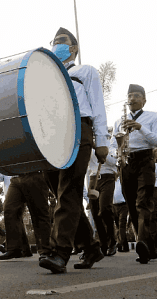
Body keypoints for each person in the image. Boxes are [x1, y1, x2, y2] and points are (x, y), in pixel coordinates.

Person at [39, 28, 109, 274]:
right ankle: (90, 247)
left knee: (68, 189)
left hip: (80, 129)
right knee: (62, 194)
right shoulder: (47, 76)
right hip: (53, 134)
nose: (57, 45)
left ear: (74, 48)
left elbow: (98, 106)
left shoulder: (85, 71)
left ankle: (60, 253)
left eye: (62, 41)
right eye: (54, 41)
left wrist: (102, 141)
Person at [110, 84, 157, 264]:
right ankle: (148, 246)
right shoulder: (119, 121)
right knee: (132, 205)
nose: (131, 99)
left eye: (135, 95)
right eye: (129, 96)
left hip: (145, 160)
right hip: (126, 162)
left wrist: (140, 127)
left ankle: (141, 242)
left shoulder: (153, 116)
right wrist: (117, 152)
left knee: (143, 203)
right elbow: (112, 145)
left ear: (144, 100)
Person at [0, 169, 50, 260]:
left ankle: (45, 250)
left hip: (34, 173)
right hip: (15, 176)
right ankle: (15, 249)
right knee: (9, 210)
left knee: (39, 213)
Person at [87, 143, 118, 256]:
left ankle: (112, 241)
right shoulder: (88, 147)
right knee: (95, 213)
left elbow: (114, 162)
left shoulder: (111, 147)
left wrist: (100, 149)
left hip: (107, 177)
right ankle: (103, 244)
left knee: (105, 209)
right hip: (93, 179)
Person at [111, 176, 132, 252]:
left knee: (122, 224)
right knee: (118, 226)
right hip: (114, 205)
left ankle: (119, 242)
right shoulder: (111, 181)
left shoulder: (123, 180)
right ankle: (125, 247)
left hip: (123, 205)